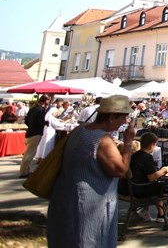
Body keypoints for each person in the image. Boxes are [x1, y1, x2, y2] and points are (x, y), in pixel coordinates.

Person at [47, 95, 136, 248]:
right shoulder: (102, 139)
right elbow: (120, 170)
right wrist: (128, 142)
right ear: (112, 117)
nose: (125, 122)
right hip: (90, 204)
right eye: (123, 117)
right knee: (89, 240)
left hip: (67, 197)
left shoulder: (79, 131)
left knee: (68, 238)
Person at [129, 132, 168, 224]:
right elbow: (152, 177)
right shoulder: (147, 157)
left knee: (162, 184)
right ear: (152, 144)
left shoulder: (135, 155)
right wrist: (164, 170)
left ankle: (162, 214)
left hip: (133, 187)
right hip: (140, 190)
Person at [19, 94, 50, 178]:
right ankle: (23, 172)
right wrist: (45, 122)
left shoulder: (33, 108)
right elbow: (39, 122)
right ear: (46, 101)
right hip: (35, 133)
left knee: (29, 153)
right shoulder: (41, 109)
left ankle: (27, 170)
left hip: (30, 132)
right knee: (29, 154)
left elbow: (27, 121)